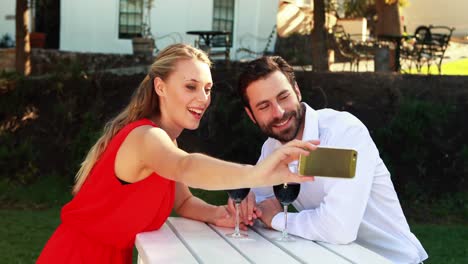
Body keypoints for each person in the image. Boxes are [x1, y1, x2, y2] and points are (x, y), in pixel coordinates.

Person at [36, 45, 317, 264]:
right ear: (160, 87)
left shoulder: (164, 144)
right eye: (190, 86)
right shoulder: (146, 138)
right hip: (77, 256)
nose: (203, 99)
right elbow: (185, 166)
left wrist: (218, 213)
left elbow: (183, 201)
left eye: (207, 89)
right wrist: (258, 173)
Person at [234, 56, 428, 264]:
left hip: (391, 259)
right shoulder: (272, 147)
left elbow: (339, 228)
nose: (279, 112)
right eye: (264, 106)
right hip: (334, 257)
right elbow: (260, 202)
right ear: (251, 114)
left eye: (283, 97)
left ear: (297, 91)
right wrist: (247, 200)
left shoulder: (342, 134)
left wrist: (278, 219)